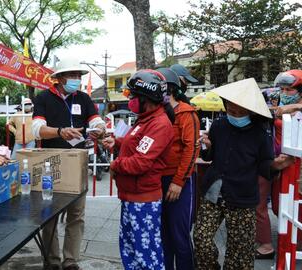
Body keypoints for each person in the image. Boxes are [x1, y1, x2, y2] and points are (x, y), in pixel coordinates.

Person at [194, 78, 287, 269]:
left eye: (240, 111)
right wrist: (207, 146)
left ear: (250, 111)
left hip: (242, 197)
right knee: (201, 240)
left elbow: (264, 165)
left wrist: (276, 165)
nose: (234, 114)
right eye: (230, 110)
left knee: (240, 250)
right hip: (213, 192)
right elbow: (210, 155)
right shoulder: (219, 125)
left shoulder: (261, 134)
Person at [32, 58, 106, 270]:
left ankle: (70, 261)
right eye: (72, 75)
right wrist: (59, 131)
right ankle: (52, 261)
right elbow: (36, 129)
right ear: (60, 77)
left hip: (78, 161)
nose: (76, 80)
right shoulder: (44, 98)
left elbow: (95, 120)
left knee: (76, 214)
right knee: (49, 215)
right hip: (51, 161)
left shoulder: (83, 98)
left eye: (78, 76)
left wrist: (99, 128)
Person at [102, 69, 174, 270]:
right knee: (130, 249)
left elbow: (141, 162)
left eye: (133, 95)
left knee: (146, 253)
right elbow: (137, 144)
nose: (131, 100)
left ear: (147, 97)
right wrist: (116, 142)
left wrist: (115, 165)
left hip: (143, 199)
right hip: (132, 196)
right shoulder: (146, 120)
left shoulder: (159, 124)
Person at [157, 68, 200, 270]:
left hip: (180, 182)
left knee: (179, 235)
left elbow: (191, 150)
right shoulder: (157, 113)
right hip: (158, 181)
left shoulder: (186, 113)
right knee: (163, 235)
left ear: (169, 88)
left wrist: (178, 181)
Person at [271, 70, 302, 251]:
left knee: (296, 204)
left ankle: (294, 245)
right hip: (280, 162)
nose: (284, 93)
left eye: (288, 89)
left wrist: (297, 107)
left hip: (298, 163)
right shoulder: (280, 106)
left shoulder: (295, 108)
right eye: (282, 89)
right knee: (278, 205)